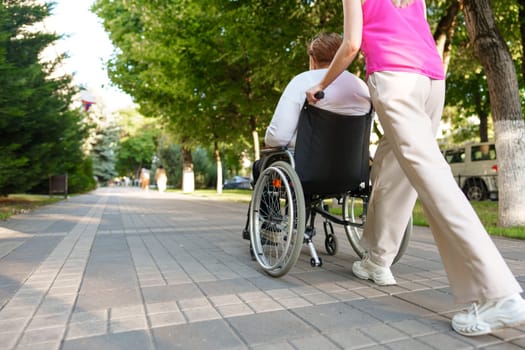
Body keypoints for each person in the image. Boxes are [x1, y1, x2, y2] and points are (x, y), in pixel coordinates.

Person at [306, 0, 525, 337]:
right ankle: (378, 258)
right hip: (431, 81)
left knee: (433, 180)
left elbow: (351, 44)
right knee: (395, 168)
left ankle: (498, 293)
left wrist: (322, 84)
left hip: (394, 79)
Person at [242, 32, 371, 239]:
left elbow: (277, 137)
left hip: (307, 170)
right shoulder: (362, 88)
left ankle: (268, 224)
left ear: (312, 59)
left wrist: (271, 142)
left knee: (262, 166)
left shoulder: (304, 82)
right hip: (352, 173)